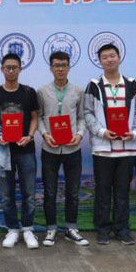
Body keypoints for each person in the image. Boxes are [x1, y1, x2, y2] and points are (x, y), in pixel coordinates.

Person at [83, 43, 136, 246]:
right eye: (104, 57)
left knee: (122, 192)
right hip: (103, 148)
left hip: (127, 149)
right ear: (100, 61)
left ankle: (122, 229)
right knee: (103, 192)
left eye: (112, 55)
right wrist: (102, 132)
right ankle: (103, 229)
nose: (109, 59)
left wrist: (135, 134)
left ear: (119, 57)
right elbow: (87, 113)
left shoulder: (132, 84)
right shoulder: (93, 85)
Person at [0, 53, 40, 249]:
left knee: (29, 193)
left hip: (26, 150)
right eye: (7, 67)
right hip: (3, 151)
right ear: (2, 69)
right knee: (6, 194)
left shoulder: (28, 92)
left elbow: (34, 117)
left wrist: (30, 136)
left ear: (20, 69)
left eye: (14, 67)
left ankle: (28, 229)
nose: (11, 71)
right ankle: (12, 230)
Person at [36, 51, 89, 247]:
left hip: (72, 149)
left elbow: (82, 117)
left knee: (73, 191)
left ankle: (71, 228)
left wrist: (79, 135)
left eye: (64, 65)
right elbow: (39, 117)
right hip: (49, 149)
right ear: (51, 68)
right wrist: (45, 134)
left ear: (69, 67)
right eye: (56, 65)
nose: (60, 68)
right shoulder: (42, 91)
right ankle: (51, 229)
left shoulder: (78, 91)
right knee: (50, 192)